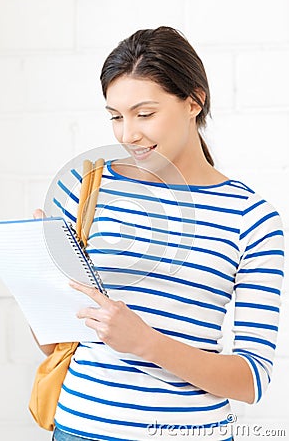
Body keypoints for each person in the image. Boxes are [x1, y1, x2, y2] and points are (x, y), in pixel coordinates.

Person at [33, 26, 284, 441]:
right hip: (79, 429)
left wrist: (144, 342)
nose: (127, 133)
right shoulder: (85, 188)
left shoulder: (251, 217)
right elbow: (52, 343)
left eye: (144, 114)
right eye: (116, 116)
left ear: (194, 101)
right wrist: (37, 274)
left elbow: (252, 380)